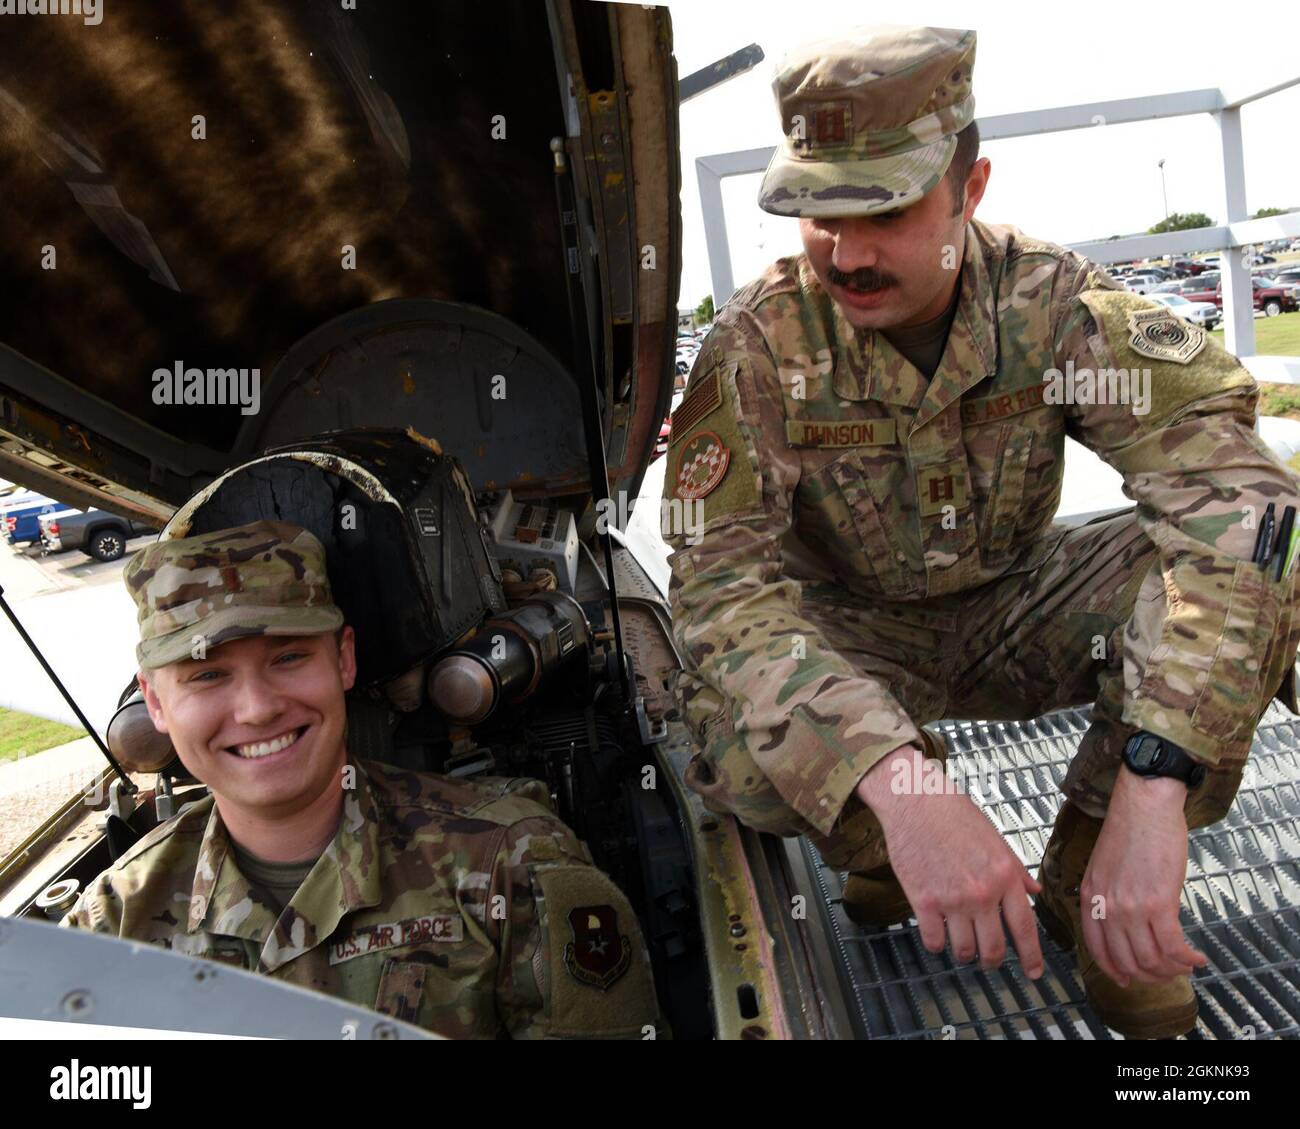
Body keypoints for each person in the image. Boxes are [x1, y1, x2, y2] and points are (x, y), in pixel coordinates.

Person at [662, 24, 1300, 1039]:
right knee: (732, 737)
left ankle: (1094, 897)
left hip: (1019, 606)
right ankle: (878, 856)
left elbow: (1242, 514)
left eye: (885, 209)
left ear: (971, 187)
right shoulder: (756, 347)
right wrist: (907, 798)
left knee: (1250, 584)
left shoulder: (1053, 306)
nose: (847, 251)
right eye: (816, 213)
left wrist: (1154, 783)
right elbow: (718, 594)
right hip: (854, 636)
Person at [63, 519, 663, 1039]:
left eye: (289, 657)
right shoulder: (113, 926)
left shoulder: (510, 863)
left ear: (343, 659)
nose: (256, 709)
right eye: (207, 676)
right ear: (156, 704)